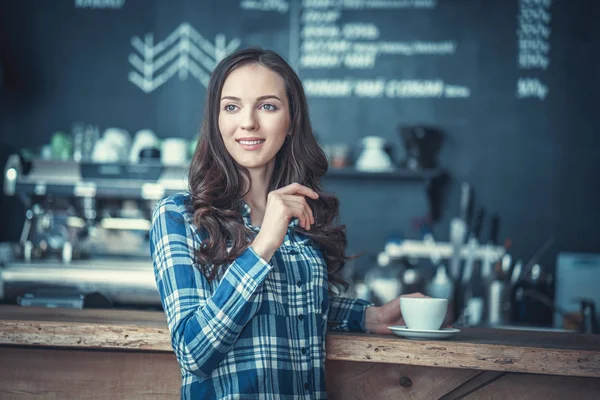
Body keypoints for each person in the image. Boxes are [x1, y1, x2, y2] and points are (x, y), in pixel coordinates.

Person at [150, 47, 424, 399]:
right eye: (231, 107)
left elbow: (289, 302)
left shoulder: (299, 210)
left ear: (291, 120)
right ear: (217, 121)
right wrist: (264, 243)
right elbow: (192, 351)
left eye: (267, 106)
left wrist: (370, 317)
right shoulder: (179, 215)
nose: (248, 122)